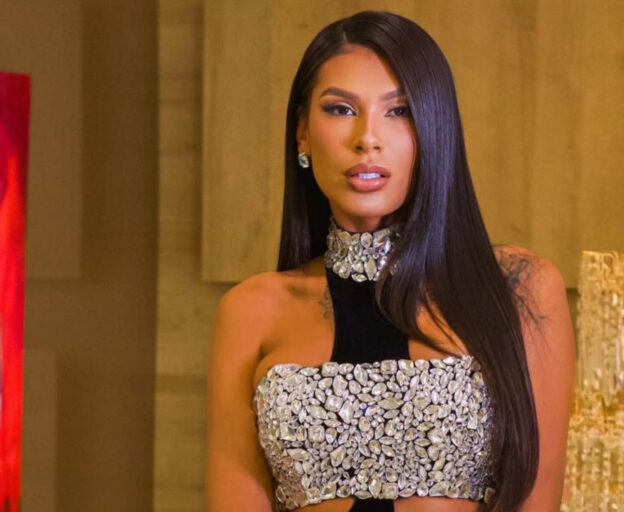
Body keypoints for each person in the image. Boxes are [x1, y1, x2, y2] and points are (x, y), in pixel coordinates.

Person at [205, 9, 575, 512]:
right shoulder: (251, 311)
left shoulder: (518, 288)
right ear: (303, 133)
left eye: (398, 111)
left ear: (434, 130)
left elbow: (537, 496)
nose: (368, 138)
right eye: (340, 109)